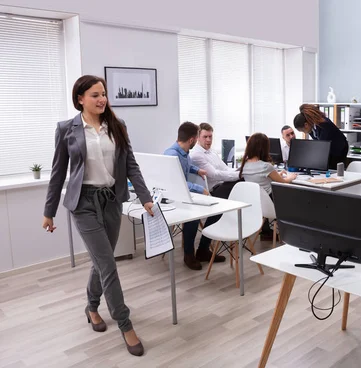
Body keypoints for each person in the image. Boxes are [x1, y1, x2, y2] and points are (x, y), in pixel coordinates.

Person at [42, 75, 152, 356]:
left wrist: (146, 198)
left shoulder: (117, 126)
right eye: (95, 95)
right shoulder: (67, 129)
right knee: (108, 264)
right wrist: (49, 212)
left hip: (112, 201)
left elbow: (131, 166)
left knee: (102, 261)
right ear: (80, 99)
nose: (102, 99)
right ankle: (125, 324)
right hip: (84, 203)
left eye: (103, 93)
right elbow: (58, 173)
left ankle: (91, 307)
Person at [164, 122, 224, 271]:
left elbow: (187, 165)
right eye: (197, 138)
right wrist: (200, 189)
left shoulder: (183, 152)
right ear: (192, 140)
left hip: (183, 194)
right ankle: (189, 255)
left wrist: (197, 170)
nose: (198, 141)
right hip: (174, 196)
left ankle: (203, 250)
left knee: (217, 210)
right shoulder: (172, 155)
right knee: (194, 216)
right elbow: (178, 182)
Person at [190, 122, 242, 251]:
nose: (208, 140)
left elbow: (224, 168)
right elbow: (215, 174)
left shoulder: (211, 152)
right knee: (241, 185)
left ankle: (232, 228)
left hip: (221, 186)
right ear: (198, 137)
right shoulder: (197, 154)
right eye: (205, 137)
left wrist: (238, 172)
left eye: (210, 137)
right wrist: (239, 175)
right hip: (210, 191)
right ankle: (205, 247)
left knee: (242, 183)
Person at [239, 133, 297, 239]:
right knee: (296, 197)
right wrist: (292, 177)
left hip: (257, 204)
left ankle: (266, 232)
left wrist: (277, 175)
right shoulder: (266, 166)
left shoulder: (245, 165)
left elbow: (261, 180)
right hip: (272, 205)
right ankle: (291, 233)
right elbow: (283, 182)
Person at [293, 104, 349, 170]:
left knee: (332, 170)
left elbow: (321, 146)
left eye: (302, 130)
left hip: (339, 148)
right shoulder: (311, 127)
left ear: (306, 125)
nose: (304, 132)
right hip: (329, 147)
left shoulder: (324, 124)